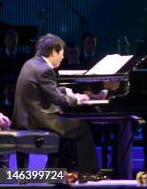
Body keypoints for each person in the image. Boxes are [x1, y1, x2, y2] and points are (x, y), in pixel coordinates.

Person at [12, 34, 104, 181]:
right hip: (37, 120)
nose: (63, 57)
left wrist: (65, 90)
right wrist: (77, 99)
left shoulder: (31, 63)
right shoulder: (45, 70)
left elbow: (46, 90)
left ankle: (53, 172)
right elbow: (57, 99)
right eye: (62, 53)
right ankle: (89, 173)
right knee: (82, 128)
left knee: (65, 132)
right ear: (53, 52)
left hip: (24, 118)